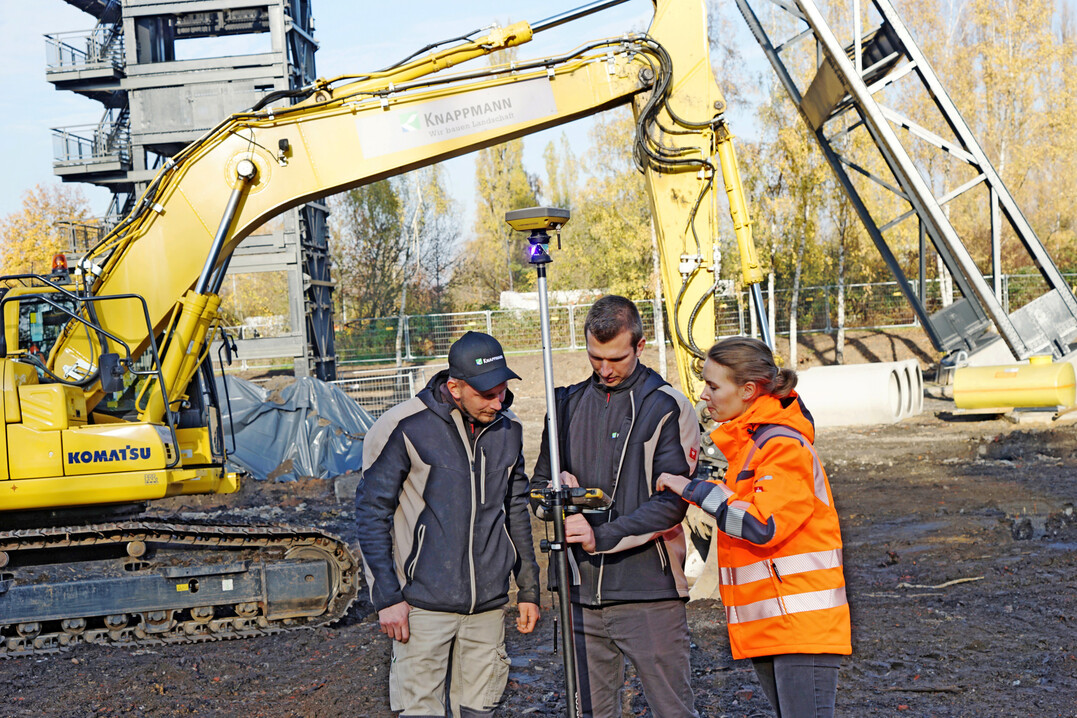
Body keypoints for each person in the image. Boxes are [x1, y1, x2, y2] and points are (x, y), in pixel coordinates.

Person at [656, 336, 852, 718]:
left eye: (713, 386)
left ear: (747, 391)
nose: (704, 395)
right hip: (775, 623)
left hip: (800, 625)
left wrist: (693, 489)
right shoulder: (750, 446)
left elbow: (761, 524)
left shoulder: (782, 447)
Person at [531, 295, 701, 718]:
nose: (604, 369)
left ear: (640, 346)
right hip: (577, 593)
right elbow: (535, 492)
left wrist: (600, 536)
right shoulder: (563, 405)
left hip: (649, 593)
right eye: (595, 357)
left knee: (673, 711)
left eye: (616, 359)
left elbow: (672, 503)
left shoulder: (667, 406)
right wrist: (555, 491)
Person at [356, 331, 541, 718]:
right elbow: (372, 513)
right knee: (420, 711)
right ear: (455, 387)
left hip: (488, 606)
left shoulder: (509, 429)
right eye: (487, 394)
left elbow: (516, 510)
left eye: (502, 391)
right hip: (421, 606)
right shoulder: (405, 426)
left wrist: (528, 589)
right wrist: (387, 597)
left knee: (480, 709)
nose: (498, 402)